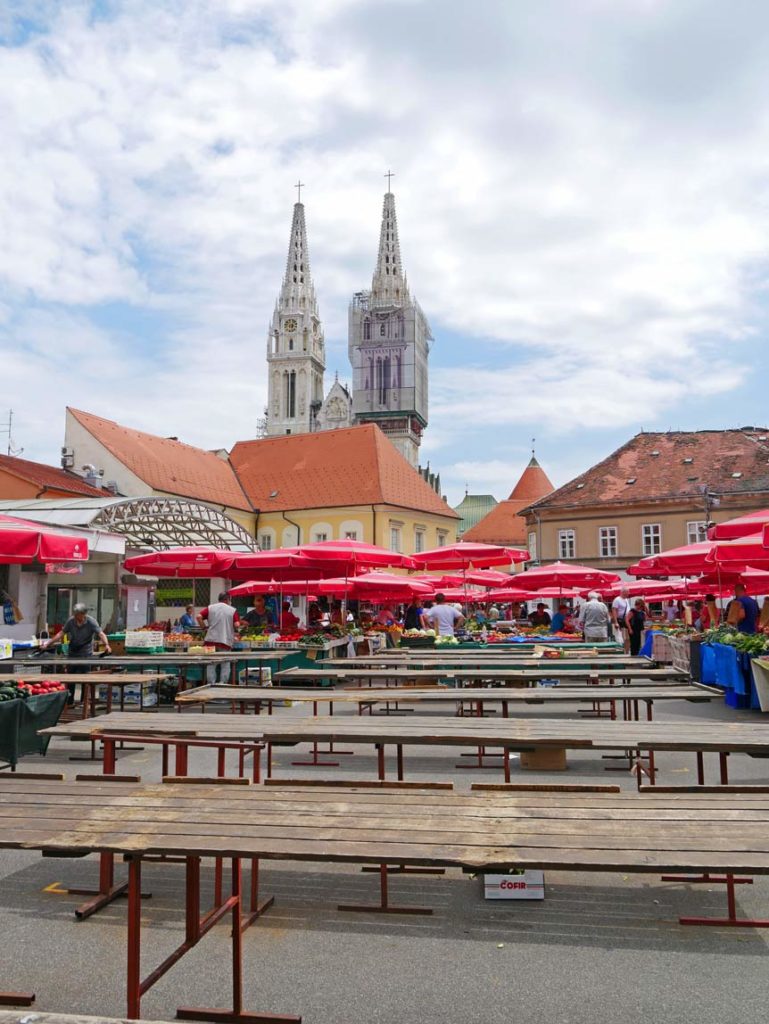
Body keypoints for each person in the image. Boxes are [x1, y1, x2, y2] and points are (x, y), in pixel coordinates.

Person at [43, 603, 112, 703]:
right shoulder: (71, 621)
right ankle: (70, 700)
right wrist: (48, 643)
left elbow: (100, 633)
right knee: (71, 677)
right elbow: (61, 633)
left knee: (85, 677)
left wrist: (107, 644)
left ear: (83, 614)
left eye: (78, 614)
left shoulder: (91, 622)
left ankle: (83, 701)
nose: (76, 617)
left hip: (86, 652)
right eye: (75, 614)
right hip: (73, 651)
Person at [198, 592, 241, 683]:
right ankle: (223, 684)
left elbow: (199, 617)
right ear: (227, 599)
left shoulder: (211, 608)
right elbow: (237, 625)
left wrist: (204, 628)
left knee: (210, 664)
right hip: (225, 641)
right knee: (225, 664)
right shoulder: (232, 610)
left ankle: (211, 684)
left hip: (210, 640)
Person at [611, 587, 631, 653]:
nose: (629, 593)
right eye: (628, 592)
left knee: (627, 638)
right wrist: (616, 622)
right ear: (623, 592)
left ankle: (626, 651)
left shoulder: (626, 600)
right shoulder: (617, 600)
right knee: (621, 638)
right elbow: (614, 611)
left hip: (626, 620)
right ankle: (622, 651)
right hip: (620, 621)